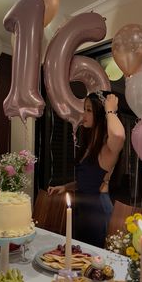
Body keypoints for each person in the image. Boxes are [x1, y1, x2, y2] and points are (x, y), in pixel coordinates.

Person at [47, 92, 125, 248]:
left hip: (98, 211)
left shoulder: (107, 148)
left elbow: (118, 135)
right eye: (84, 109)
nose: (84, 114)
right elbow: (87, 181)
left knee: (93, 261)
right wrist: (65, 187)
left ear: (100, 114)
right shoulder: (90, 145)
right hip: (83, 210)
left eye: (89, 110)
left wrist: (110, 110)